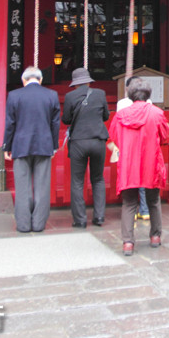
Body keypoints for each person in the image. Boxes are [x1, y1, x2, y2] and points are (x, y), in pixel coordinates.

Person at [108, 77, 169, 256]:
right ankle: (155, 236)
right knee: (153, 200)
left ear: (130, 94)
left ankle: (128, 242)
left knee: (129, 203)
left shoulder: (121, 115)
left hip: (129, 163)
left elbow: (114, 137)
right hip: (150, 161)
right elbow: (165, 136)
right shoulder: (156, 113)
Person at [2, 66, 61, 234]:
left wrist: (7, 145)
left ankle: (23, 225)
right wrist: (54, 145)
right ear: (40, 79)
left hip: (20, 145)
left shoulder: (14, 95)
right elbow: (55, 124)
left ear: (23, 80)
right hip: (44, 144)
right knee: (42, 186)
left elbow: (10, 123)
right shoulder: (51, 95)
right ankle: (39, 224)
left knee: (22, 186)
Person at [62, 67, 110, 229]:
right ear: (89, 81)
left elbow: (66, 119)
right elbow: (106, 116)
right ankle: (99, 217)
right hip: (98, 140)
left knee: (77, 181)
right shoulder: (100, 94)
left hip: (79, 141)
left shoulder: (70, 96)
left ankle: (80, 219)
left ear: (75, 84)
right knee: (98, 178)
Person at [117, 76, 149, 221]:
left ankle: (131, 210)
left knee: (130, 177)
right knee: (143, 176)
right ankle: (145, 209)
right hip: (144, 145)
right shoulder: (148, 104)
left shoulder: (122, 104)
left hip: (128, 146)